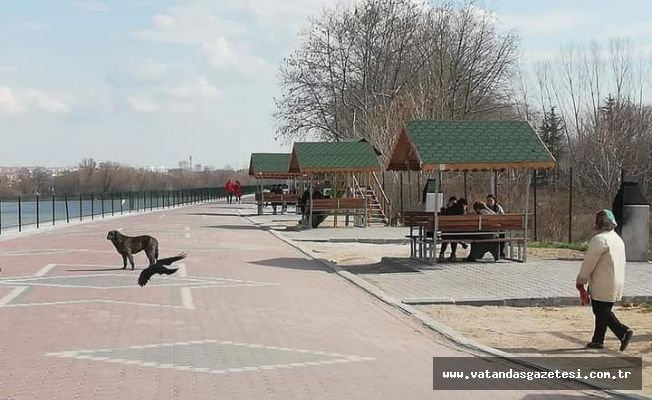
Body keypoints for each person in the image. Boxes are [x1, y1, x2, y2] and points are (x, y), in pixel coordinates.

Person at [577, 210, 632, 351]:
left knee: (601, 311)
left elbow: (589, 263)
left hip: (603, 281)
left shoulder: (600, 239)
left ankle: (622, 331)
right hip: (616, 280)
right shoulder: (617, 239)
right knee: (603, 310)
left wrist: (581, 280)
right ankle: (598, 340)